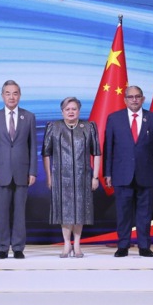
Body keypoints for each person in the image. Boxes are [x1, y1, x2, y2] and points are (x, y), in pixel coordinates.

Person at [103, 86, 153, 257]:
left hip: (147, 173)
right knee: (123, 212)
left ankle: (144, 246)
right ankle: (123, 245)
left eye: (138, 97)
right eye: (131, 97)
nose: (134, 100)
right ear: (125, 99)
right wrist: (107, 173)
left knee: (145, 213)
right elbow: (109, 148)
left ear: (143, 99)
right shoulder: (114, 119)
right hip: (122, 173)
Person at [0, 81, 37, 259]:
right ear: (2, 96)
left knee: (20, 213)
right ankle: (1, 247)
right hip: (0, 172)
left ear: (20, 95)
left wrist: (32, 171)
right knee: (2, 212)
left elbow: (32, 147)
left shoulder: (28, 117)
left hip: (22, 172)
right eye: (8, 93)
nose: (11, 97)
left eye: (15, 93)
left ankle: (17, 247)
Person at [42, 96, 98, 257]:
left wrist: (95, 177)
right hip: (61, 177)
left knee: (80, 210)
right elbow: (46, 153)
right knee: (65, 211)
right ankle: (67, 244)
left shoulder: (88, 127)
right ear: (62, 111)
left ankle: (78, 244)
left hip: (83, 176)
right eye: (67, 109)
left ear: (79, 110)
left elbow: (97, 153)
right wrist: (49, 177)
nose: (71, 112)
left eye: (74, 109)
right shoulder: (54, 127)